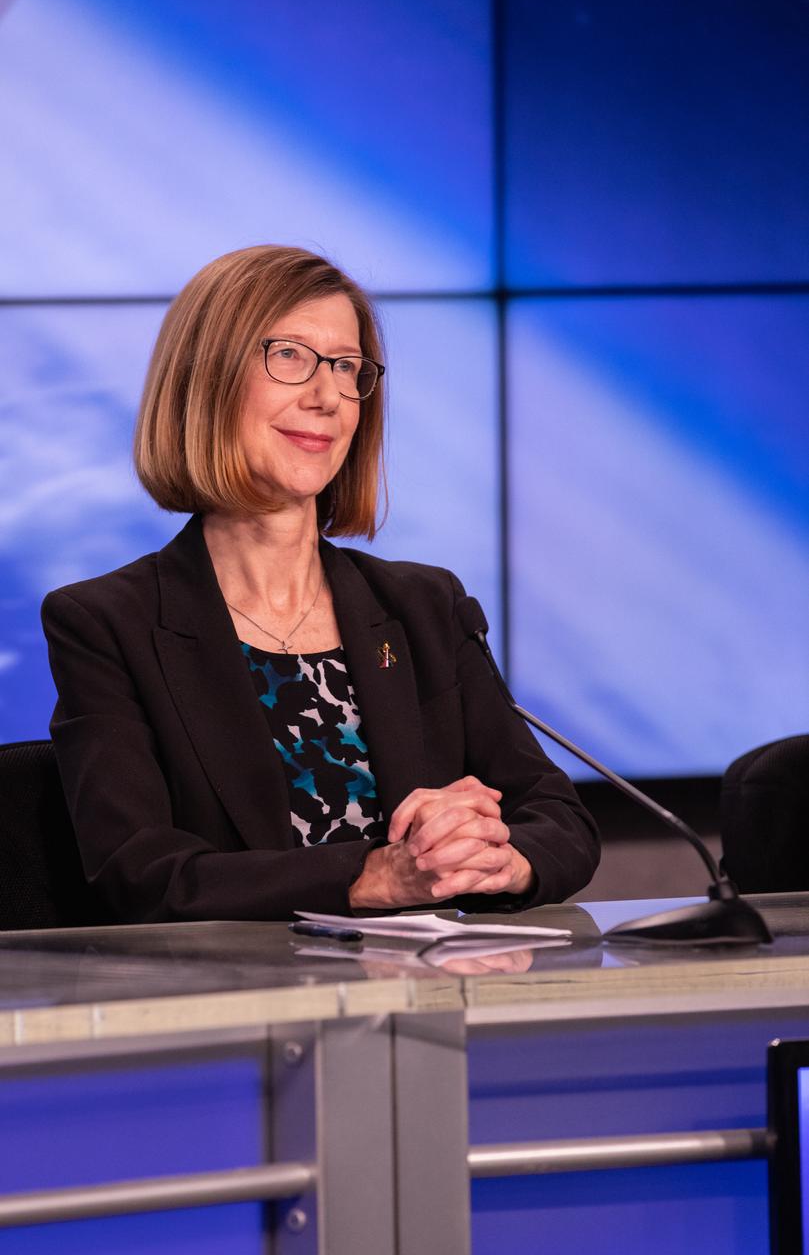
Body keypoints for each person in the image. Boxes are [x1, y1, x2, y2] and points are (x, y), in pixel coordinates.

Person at [41, 245, 599, 923]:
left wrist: (503, 858)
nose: (326, 395)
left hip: (426, 1003)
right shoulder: (107, 623)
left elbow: (557, 821)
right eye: (289, 357)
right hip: (230, 1009)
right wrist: (368, 878)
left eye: (346, 366)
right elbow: (139, 873)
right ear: (205, 379)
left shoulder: (423, 605)